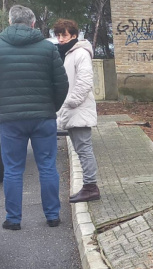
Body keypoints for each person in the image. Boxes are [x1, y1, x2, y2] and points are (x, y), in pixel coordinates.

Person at [0, 5, 68, 230]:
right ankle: (52, 216)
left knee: (13, 169)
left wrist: (2, 106)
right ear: (33, 23)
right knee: (47, 166)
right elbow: (62, 84)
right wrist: (51, 107)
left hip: (11, 119)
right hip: (43, 117)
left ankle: (14, 219)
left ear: (10, 22)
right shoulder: (47, 49)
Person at [53, 18, 100, 203]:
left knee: (84, 149)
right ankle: (89, 186)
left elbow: (84, 82)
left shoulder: (80, 53)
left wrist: (69, 103)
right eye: (58, 35)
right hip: (72, 110)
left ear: (73, 35)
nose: (61, 38)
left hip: (78, 109)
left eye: (64, 34)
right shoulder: (67, 53)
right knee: (81, 149)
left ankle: (91, 187)